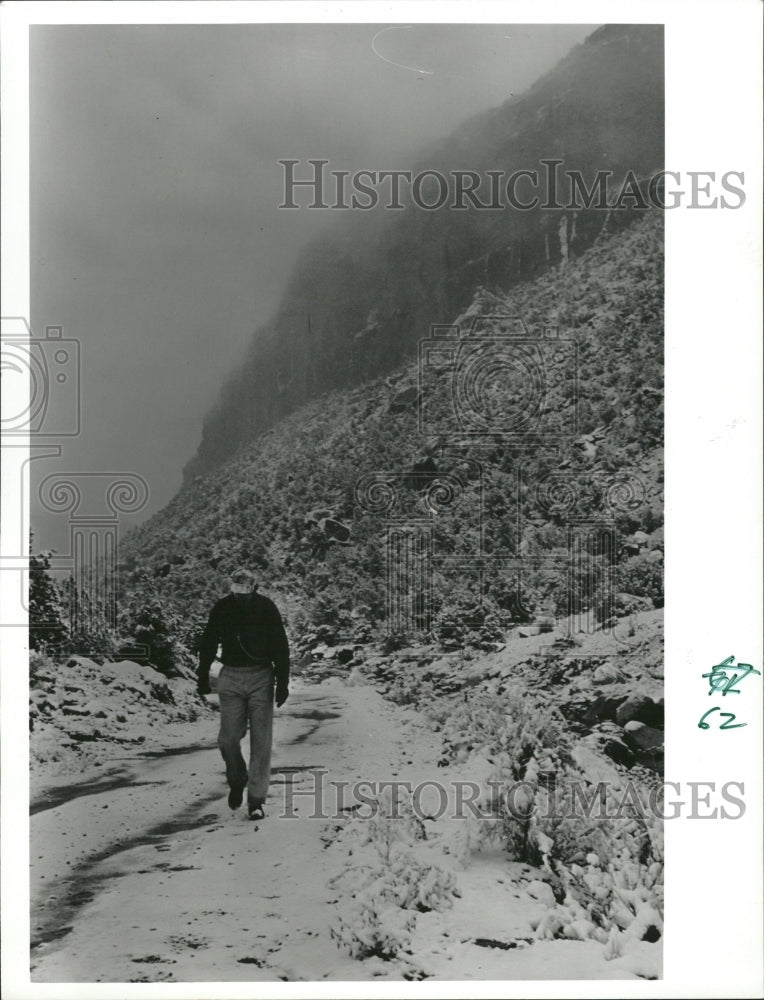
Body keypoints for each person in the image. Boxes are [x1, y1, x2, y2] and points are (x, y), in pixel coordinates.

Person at [196, 568, 290, 820]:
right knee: (228, 738)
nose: (240, 595)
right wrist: (202, 673)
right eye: (236, 589)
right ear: (231, 587)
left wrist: (283, 682)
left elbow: (281, 645)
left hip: (261, 676)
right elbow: (208, 641)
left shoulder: (266, 608)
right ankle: (237, 778)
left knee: (261, 741)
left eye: (245, 590)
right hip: (231, 677)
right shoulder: (222, 608)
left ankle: (256, 801)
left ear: (254, 588)